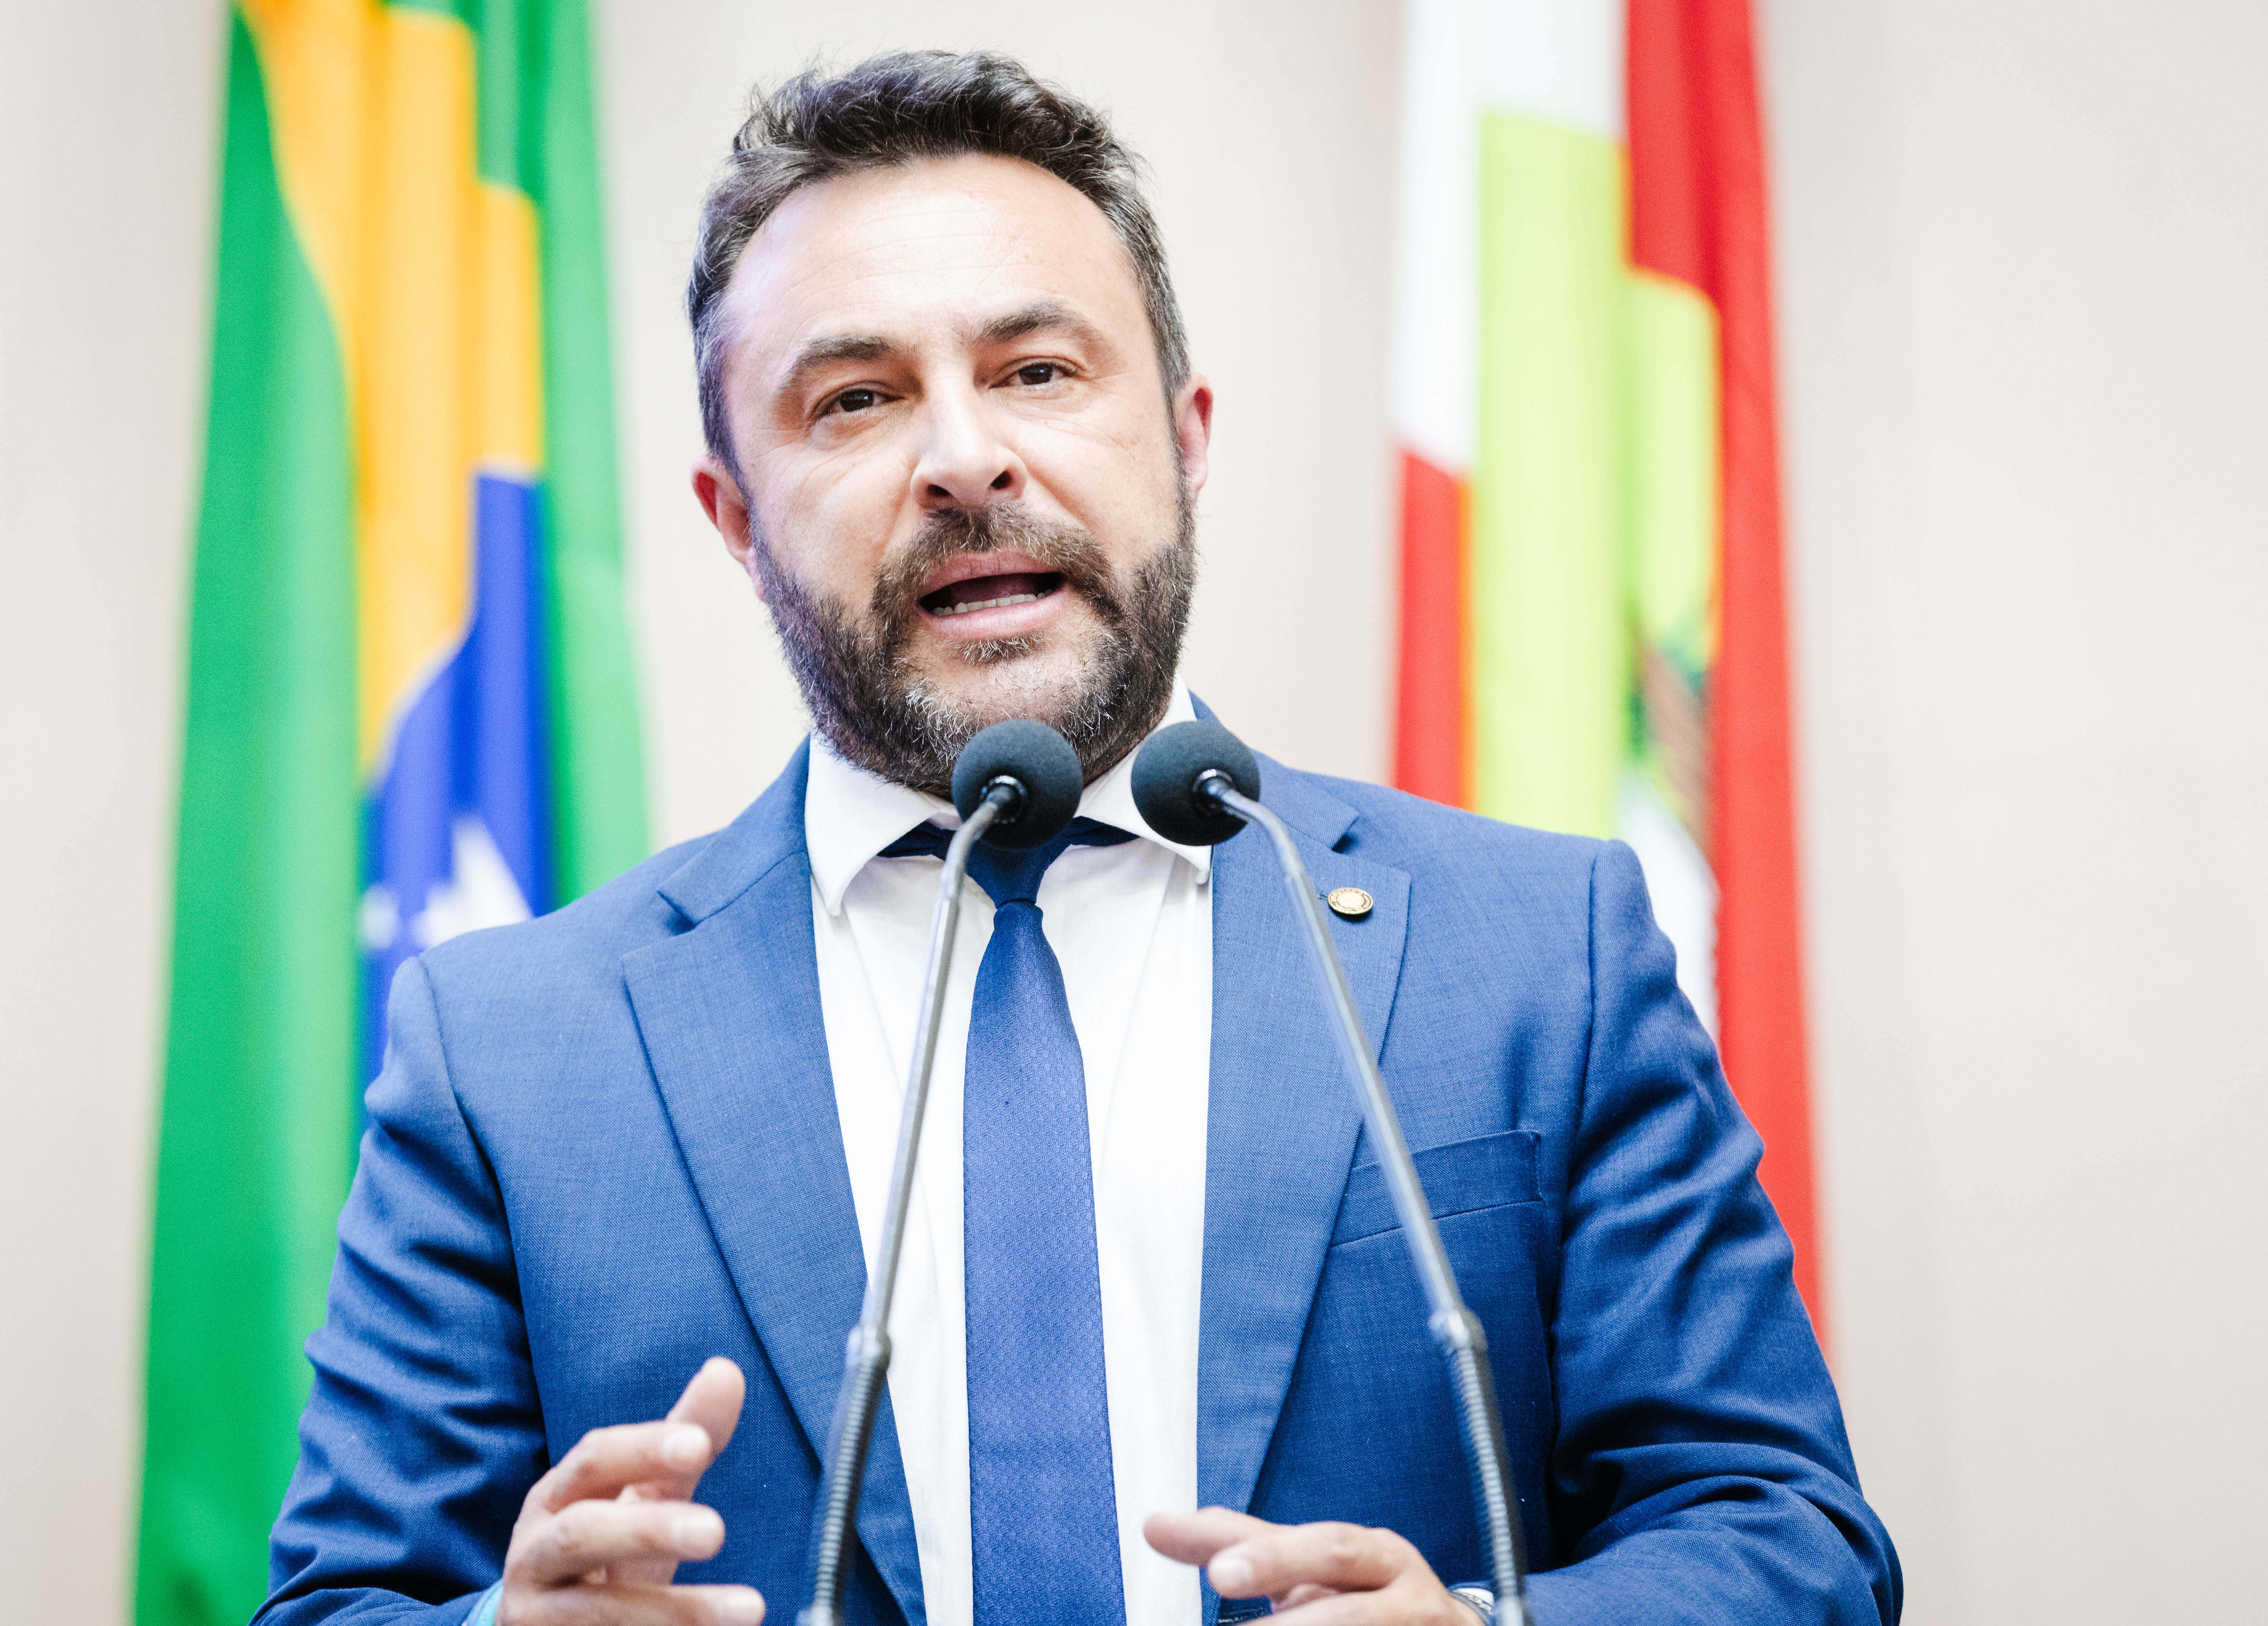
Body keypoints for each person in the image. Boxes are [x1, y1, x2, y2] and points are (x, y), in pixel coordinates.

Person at [260, 50, 1899, 1626]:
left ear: (1186, 439)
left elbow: (1788, 1539)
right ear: (736, 518)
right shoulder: (509, 1053)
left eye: (1038, 372)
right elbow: (341, 1600)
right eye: (856, 399)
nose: (964, 459)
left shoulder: (1543, 954)